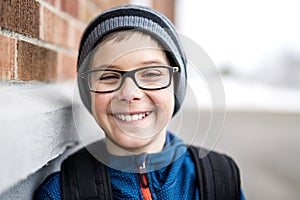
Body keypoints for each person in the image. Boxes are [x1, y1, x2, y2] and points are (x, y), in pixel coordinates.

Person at [34, 5, 245, 200]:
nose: (129, 93)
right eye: (108, 76)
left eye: (151, 74)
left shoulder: (220, 179)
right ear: (88, 93)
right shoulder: (61, 193)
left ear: (175, 86)